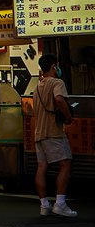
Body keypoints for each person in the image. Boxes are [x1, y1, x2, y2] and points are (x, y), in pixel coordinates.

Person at [33, 54, 77, 217]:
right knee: (65, 164)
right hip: (54, 132)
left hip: (39, 133)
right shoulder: (57, 82)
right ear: (53, 66)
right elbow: (59, 100)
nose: (58, 69)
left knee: (42, 167)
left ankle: (44, 205)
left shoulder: (37, 87)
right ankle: (60, 203)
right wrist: (68, 117)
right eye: (57, 66)